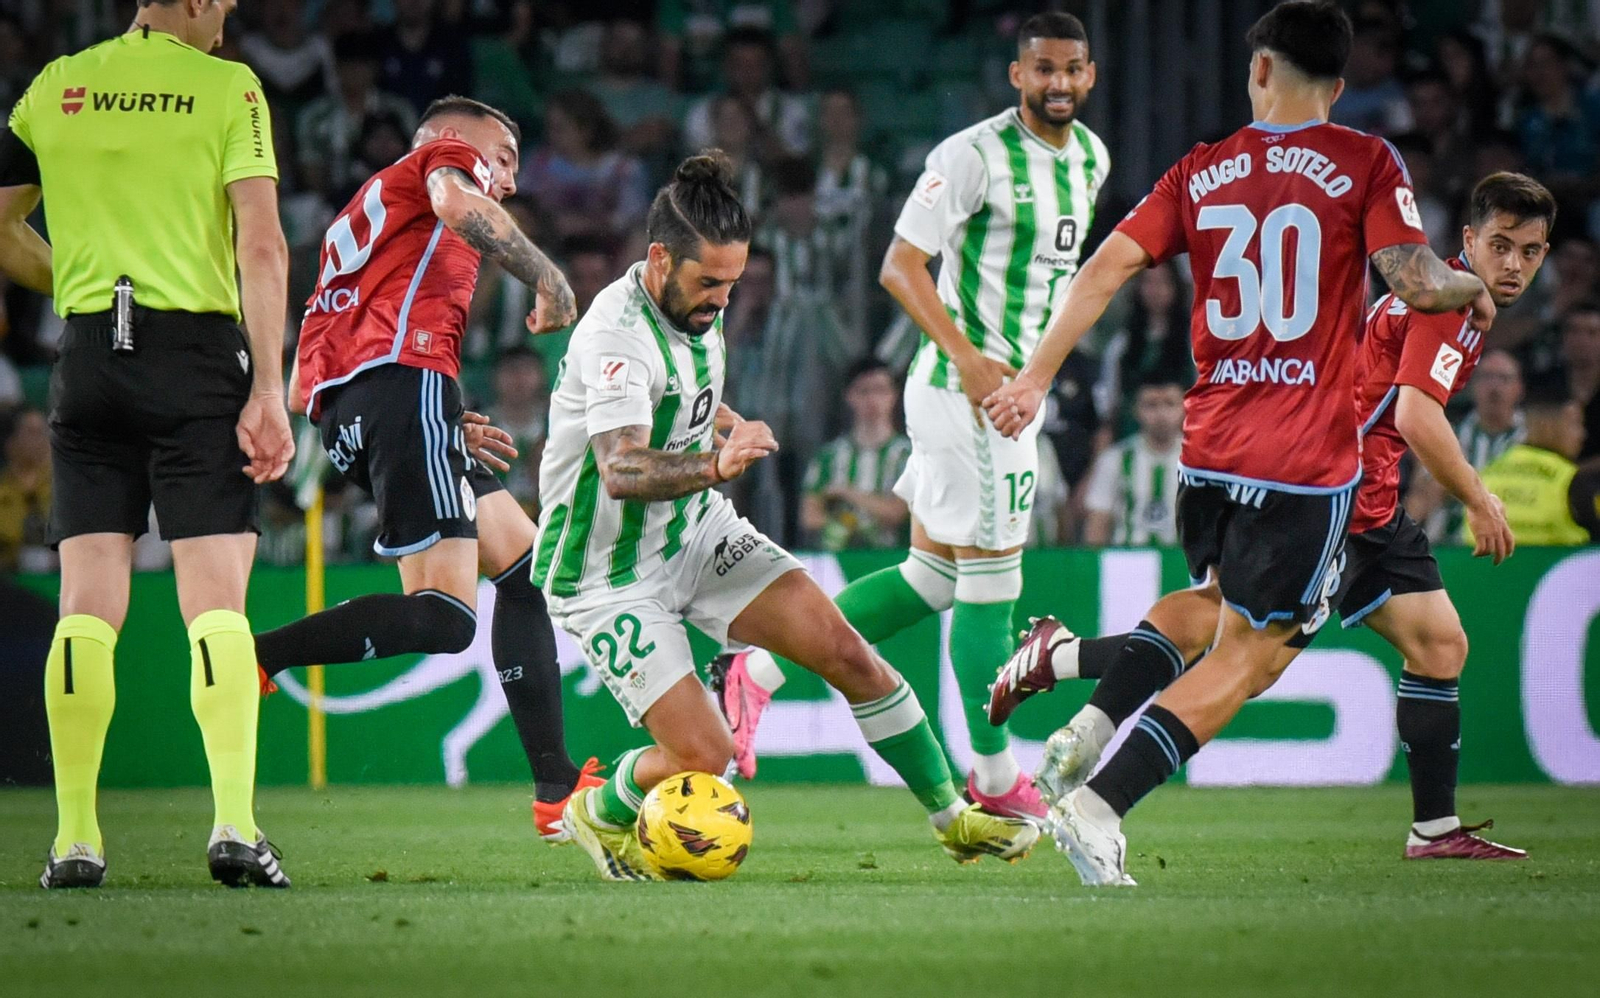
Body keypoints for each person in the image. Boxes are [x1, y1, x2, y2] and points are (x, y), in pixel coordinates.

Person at [983, 0, 1493, 885]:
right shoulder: (1367, 160)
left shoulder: (1203, 169)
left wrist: (1033, 378)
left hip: (1209, 451)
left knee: (1222, 610)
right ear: (1339, 86)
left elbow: (1105, 269)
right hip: (1302, 462)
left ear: (1259, 70)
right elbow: (1410, 277)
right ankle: (1099, 807)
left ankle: (1078, 696)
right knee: (1250, 656)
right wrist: (1467, 284)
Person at [540, 153, 1036, 881]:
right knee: (704, 758)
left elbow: (685, 404)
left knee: (846, 652)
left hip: (694, 531)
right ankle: (600, 810)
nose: (721, 299)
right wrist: (718, 464)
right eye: (709, 282)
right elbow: (620, 469)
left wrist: (725, 429)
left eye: (732, 284)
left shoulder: (692, 306)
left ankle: (951, 820)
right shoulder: (615, 337)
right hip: (604, 571)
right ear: (656, 260)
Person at [712, 12, 1109, 819]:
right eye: (1043, 70)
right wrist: (968, 359)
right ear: (1016, 75)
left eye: (1071, 70)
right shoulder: (970, 154)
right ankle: (996, 781)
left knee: (933, 578)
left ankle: (758, 671)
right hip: (969, 398)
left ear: (1090, 76)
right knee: (992, 592)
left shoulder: (1094, 159)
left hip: (1009, 396)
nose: (1058, 84)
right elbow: (901, 266)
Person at [0, 0, 299, 889]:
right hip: (195, 358)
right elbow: (264, 244)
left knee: (87, 604)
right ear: (201, 2)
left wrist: (89, 276)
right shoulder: (229, 88)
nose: (232, 13)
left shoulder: (57, 85)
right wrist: (269, 389)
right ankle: (236, 829)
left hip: (89, 354)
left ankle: (76, 841)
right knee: (215, 604)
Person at [249, 97, 597, 843]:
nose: (504, 178)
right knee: (446, 618)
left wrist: (434, 416)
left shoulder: (369, 206)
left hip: (365, 405)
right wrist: (547, 277)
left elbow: (357, 330)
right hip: (398, 390)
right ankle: (259, 657)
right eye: (501, 156)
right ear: (452, 140)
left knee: (528, 572)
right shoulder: (440, 165)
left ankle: (555, 787)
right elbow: (455, 200)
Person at [1406, 348, 1524, 541]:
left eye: (1503, 378)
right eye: (1486, 377)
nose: (1494, 387)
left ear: (1519, 387)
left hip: (1522, 545)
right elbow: (1420, 500)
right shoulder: (1446, 437)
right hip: (1451, 548)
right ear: (1473, 385)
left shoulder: (1532, 439)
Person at [799, 358, 912, 552]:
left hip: (894, 561)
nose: (872, 400)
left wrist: (846, 492)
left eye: (880, 390)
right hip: (840, 563)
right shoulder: (828, 457)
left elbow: (897, 513)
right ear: (849, 396)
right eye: (864, 391)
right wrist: (844, 526)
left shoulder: (908, 455)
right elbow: (809, 517)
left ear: (894, 395)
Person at [1475, 380, 1597, 545]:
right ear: (1552, 426)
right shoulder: (1572, 480)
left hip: (1485, 568)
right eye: (1575, 424)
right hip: (1555, 568)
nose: (1582, 435)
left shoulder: (1488, 472)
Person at [1081, 374, 1183, 546]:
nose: (1161, 414)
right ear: (1136, 410)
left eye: (1170, 404)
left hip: (1183, 565)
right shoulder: (1115, 459)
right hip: (1127, 566)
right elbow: (1098, 522)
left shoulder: (1201, 461)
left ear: (1184, 407)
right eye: (1151, 405)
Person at [0, 406, 51, 573]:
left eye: (44, 432)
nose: (42, 440)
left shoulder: (65, 490)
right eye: (32, 432)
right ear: (10, 442)